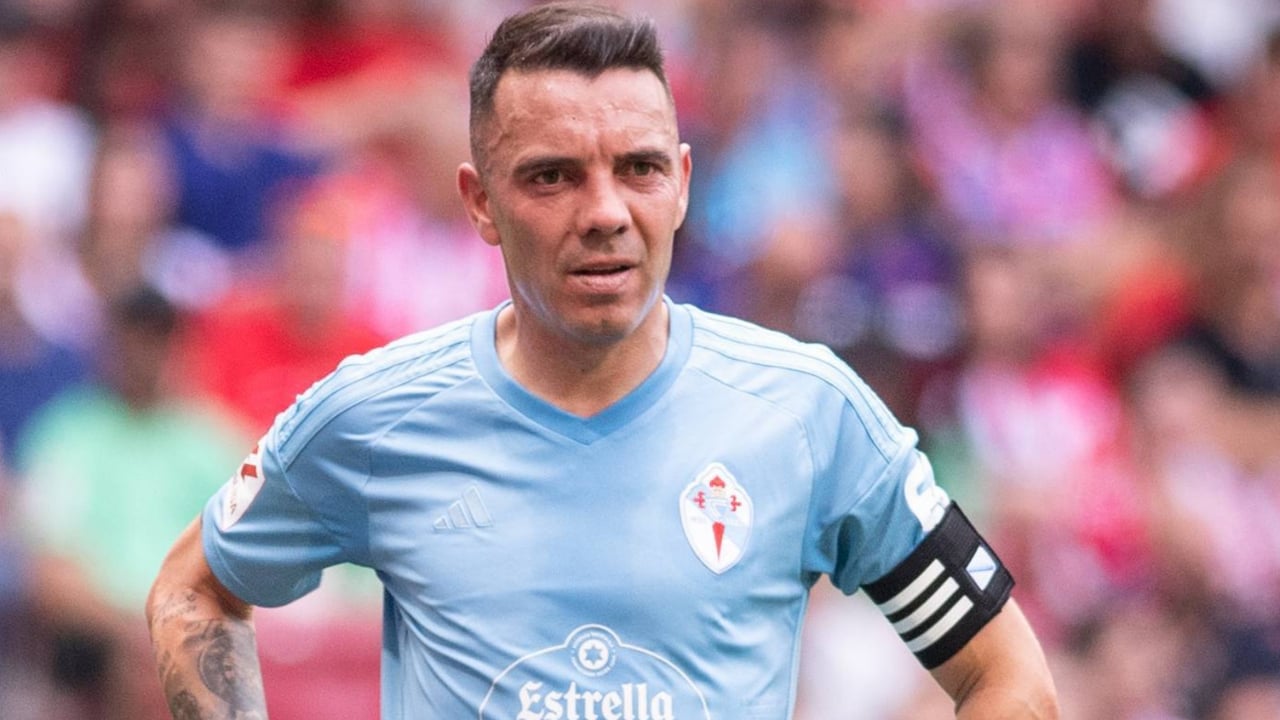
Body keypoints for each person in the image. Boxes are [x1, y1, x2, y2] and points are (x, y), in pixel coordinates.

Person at [146, 3, 1059, 719]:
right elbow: (196, 590)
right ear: (480, 202)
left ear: (684, 183)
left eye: (639, 169)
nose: (606, 212)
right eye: (553, 175)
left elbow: (1008, 677)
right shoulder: (377, 418)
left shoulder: (809, 414)